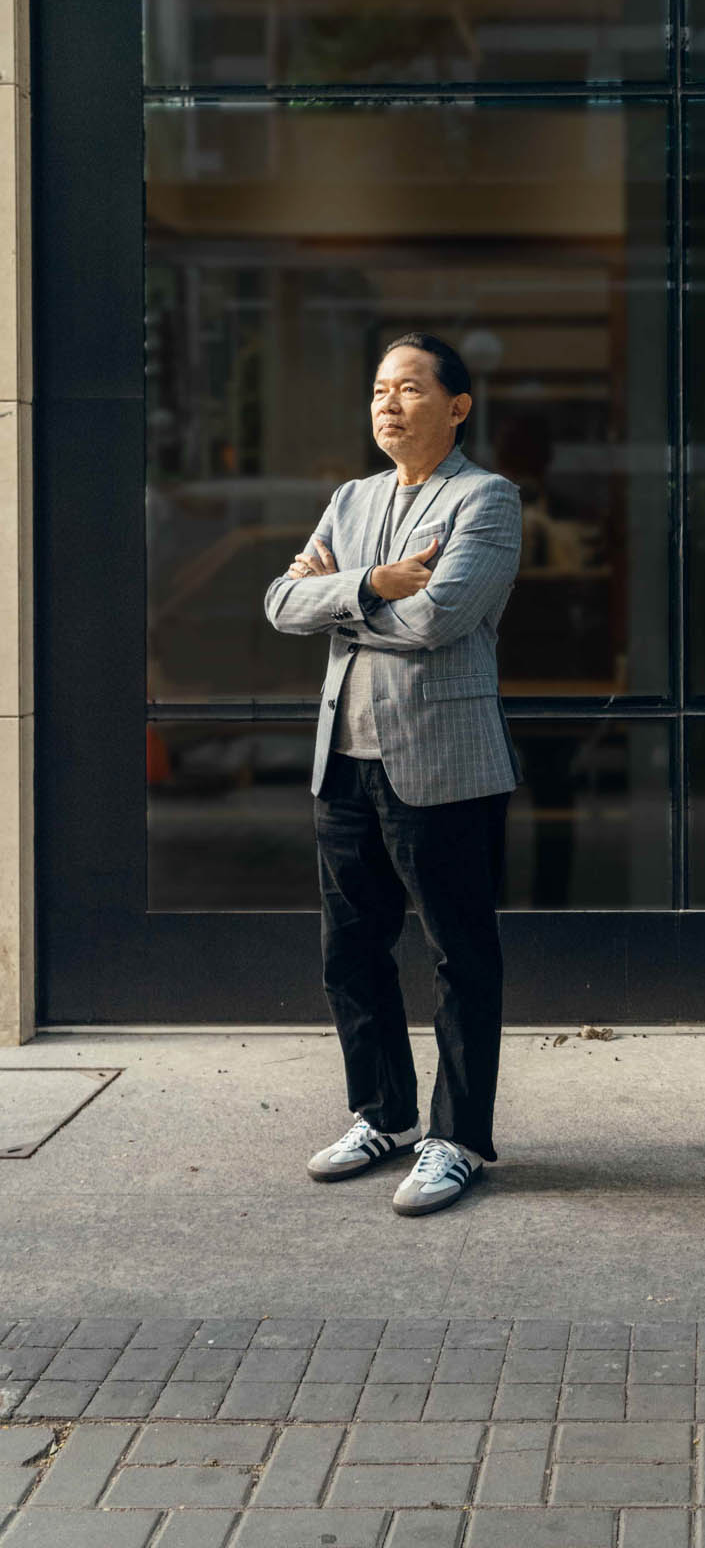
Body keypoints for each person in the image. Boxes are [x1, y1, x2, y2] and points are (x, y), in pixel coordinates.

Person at [264, 332, 522, 1218]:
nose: (387, 403)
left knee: (459, 956)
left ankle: (456, 1140)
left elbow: (439, 622)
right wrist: (373, 582)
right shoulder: (351, 497)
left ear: (456, 407)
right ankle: (381, 1114)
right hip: (344, 760)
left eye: (408, 388)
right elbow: (278, 603)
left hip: (443, 763)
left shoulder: (486, 500)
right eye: (378, 388)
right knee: (350, 951)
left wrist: (340, 602)